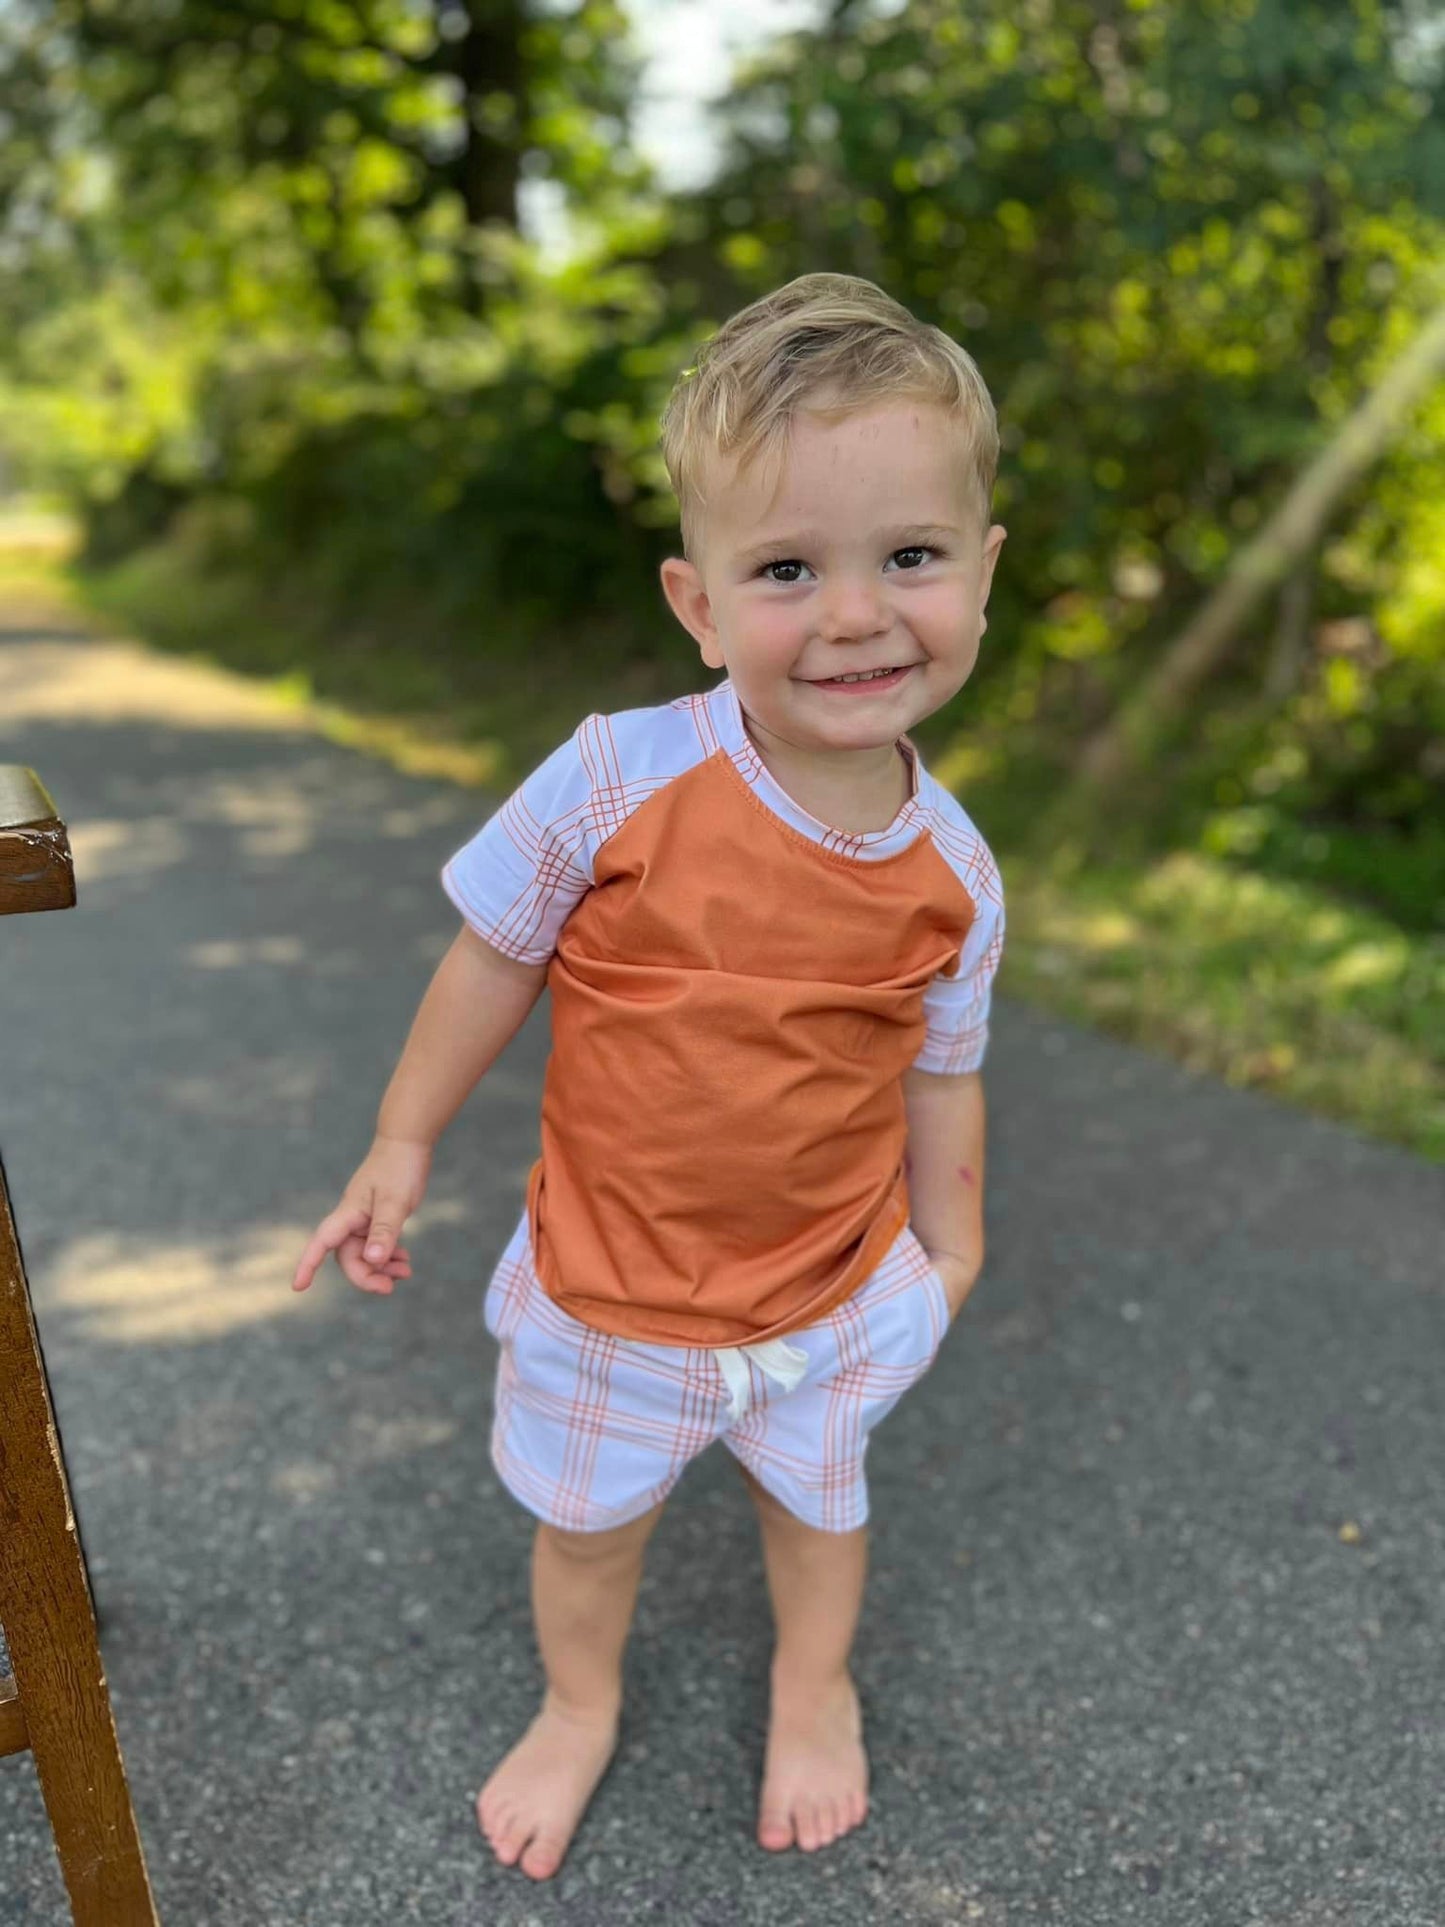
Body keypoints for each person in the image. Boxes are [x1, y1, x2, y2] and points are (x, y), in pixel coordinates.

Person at [291, 270, 1008, 1882]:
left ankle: (812, 1688)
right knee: (587, 1532)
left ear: (982, 570)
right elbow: (494, 952)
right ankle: (577, 1705)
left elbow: (940, 1073)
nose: (853, 613)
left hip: (826, 1292)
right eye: (786, 569)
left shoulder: (955, 872)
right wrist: (400, 1141)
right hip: (610, 1292)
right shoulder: (618, 776)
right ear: (697, 605)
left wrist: (953, 1247)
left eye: (909, 556)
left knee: (821, 1510)